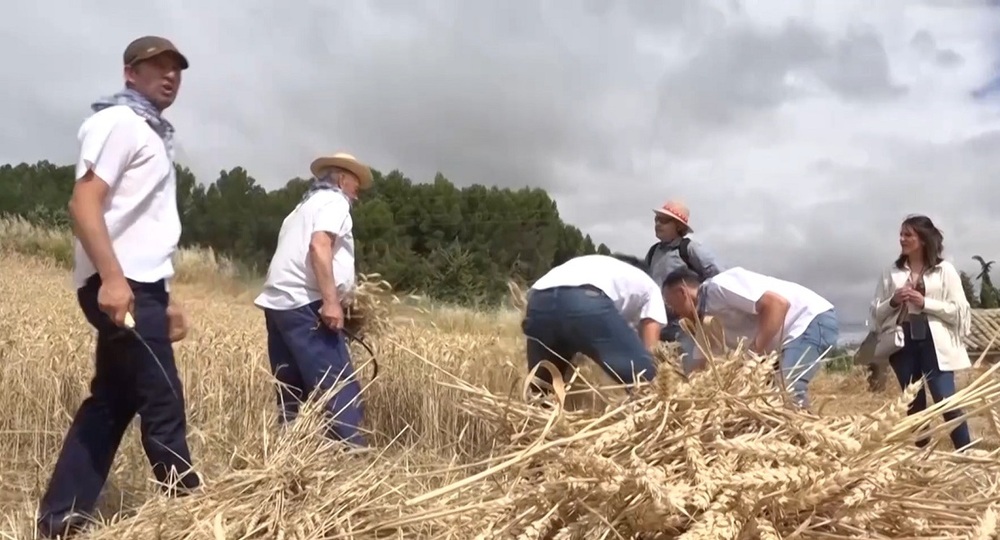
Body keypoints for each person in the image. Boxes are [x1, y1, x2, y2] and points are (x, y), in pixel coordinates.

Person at [36, 36, 199, 539]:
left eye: (176, 69)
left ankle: (61, 518)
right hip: (121, 285)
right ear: (130, 73)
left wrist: (164, 298)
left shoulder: (149, 130)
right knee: (162, 398)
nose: (169, 76)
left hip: (141, 286)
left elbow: (139, 223)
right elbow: (84, 202)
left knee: (112, 402)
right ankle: (198, 513)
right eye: (157, 67)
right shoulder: (121, 123)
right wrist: (111, 278)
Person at [253, 152, 373, 446]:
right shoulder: (334, 202)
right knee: (339, 389)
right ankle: (354, 460)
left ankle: (288, 453)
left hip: (279, 305)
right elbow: (320, 247)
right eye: (356, 187)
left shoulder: (301, 209)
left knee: (291, 388)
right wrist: (332, 302)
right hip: (307, 304)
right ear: (343, 180)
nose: (356, 196)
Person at [662, 266, 839, 409]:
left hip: (809, 320)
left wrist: (753, 354)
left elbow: (777, 304)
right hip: (782, 344)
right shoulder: (704, 323)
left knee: (787, 392)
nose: (674, 313)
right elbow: (698, 369)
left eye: (671, 305)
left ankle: (810, 447)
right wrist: (679, 397)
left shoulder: (719, 287)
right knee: (764, 403)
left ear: (682, 293)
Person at [869, 214, 974, 451]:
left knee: (945, 398)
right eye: (901, 234)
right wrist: (894, 301)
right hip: (901, 340)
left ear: (923, 239)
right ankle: (920, 456)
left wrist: (925, 302)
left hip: (935, 341)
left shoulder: (945, 270)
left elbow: (960, 311)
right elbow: (875, 312)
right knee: (912, 402)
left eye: (908, 235)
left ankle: (965, 451)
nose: (902, 239)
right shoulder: (890, 272)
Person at [521, 254, 668, 395]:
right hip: (584, 301)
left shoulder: (601, 266)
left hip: (538, 301)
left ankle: (541, 416)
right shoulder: (650, 285)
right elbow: (651, 348)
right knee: (649, 383)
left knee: (543, 392)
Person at [642, 200, 724, 372]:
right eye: (656, 219)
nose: (657, 224)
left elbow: (719, 276)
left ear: (678, 226)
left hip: (685, 325)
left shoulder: (690, 249)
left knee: (687, 370)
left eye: (663, 220)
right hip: (660, 324)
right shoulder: (652, 253)